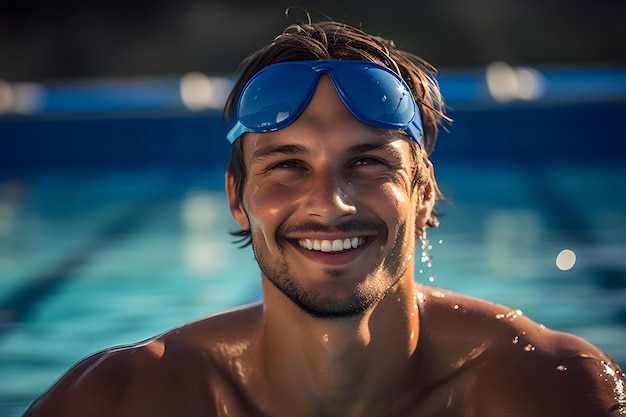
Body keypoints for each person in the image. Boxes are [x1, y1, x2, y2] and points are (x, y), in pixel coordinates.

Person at [22, 19, 625, 417]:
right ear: (237, 198)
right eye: (286, 166)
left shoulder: (551, 390)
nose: (330, 202)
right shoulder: (121, 400)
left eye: (367, 163)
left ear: (420, 193)